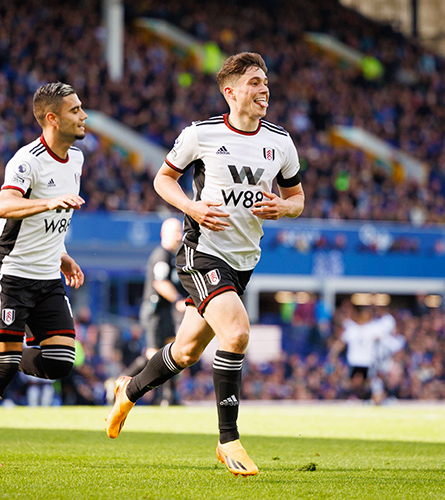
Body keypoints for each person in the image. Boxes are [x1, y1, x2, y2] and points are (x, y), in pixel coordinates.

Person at [105, 52, 304, 476]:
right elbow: (163, 178)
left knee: (187, 350)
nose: (264, 88)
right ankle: (228, 440)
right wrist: (191, 208)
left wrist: (283, 209)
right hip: (203, 251)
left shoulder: (281, 142)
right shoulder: (201, 134)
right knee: (236, 333)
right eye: (253, 82)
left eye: (265, 81)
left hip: (245, 259)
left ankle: (129, 390)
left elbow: (298, 198)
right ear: (230, 92)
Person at [0, 82, 88, 467]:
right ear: (52, 118)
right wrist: (47, 201)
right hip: (9, 273)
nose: (84, 115)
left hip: (47, 276)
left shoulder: (76, 159)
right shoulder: (26, 161)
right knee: (7, 365)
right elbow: (3, 205)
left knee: (61, 361)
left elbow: (49, 223)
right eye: (75, 110)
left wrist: (62, 255)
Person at [116, 217, 185, 406]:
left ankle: (170, 398)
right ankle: (121, 382)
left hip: (165, 312)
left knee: (173, 354)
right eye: (176, 232)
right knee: (153, 355)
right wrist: (178, 300)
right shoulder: (161, 255)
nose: (180, 236)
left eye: (181, 232)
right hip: (154, 312)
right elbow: (160, 283)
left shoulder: (173, 256)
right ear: (164, 234)